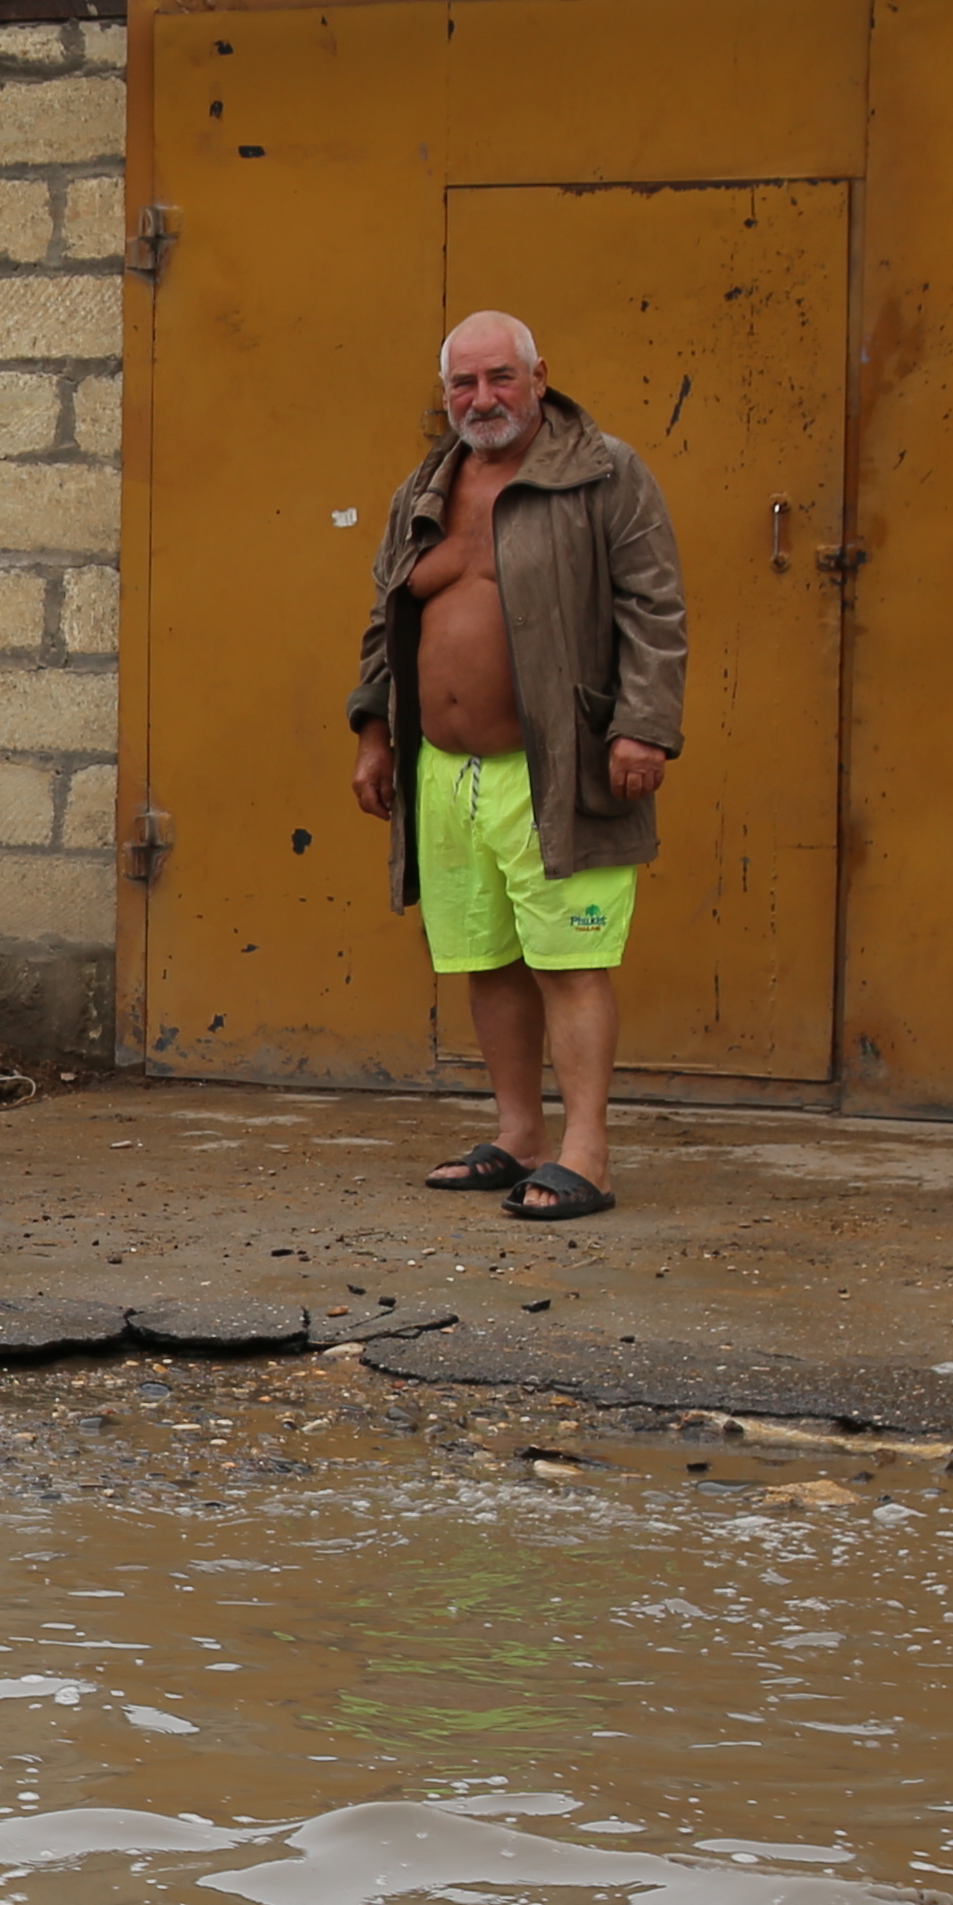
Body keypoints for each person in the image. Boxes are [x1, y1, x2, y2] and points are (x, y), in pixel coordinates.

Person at [347, 310, 686, 1223]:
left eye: (500, 377)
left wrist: (644, 728)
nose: (482, 399)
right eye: (464, 383)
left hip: (560, 765)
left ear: (540, 376)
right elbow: (388, 623)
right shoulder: (428, 483)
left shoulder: (605, 473)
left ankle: (589, 1153)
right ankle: (518, 1133)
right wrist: (375, 736)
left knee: (569, 959)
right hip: (445, 770)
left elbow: (655, 608)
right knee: (486, 958)